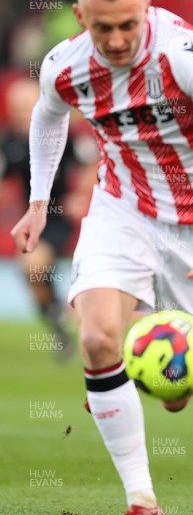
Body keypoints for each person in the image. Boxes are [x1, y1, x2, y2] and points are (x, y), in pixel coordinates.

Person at [11, 0, 193, 515]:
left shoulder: (184, 57)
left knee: (174, 393)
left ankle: (118, 371)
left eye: (128, 24)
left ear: (145, 8)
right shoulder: (64, 65)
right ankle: (142, 499)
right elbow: (47, 117)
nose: (116, 39)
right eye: (102, 26)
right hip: (123, 207)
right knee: (96, 337)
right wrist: (39, 203)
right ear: (81, 15)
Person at [0, 77, 97, 358]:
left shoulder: (64, 134)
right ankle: (56, 317)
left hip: (62, 216)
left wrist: (80, 195)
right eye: (15, 108)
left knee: (33, 263)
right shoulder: (10, 144)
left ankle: (69, 316)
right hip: (33, 218)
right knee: (31, 270)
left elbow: (92, 162)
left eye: (25, 107)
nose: (20, 114)